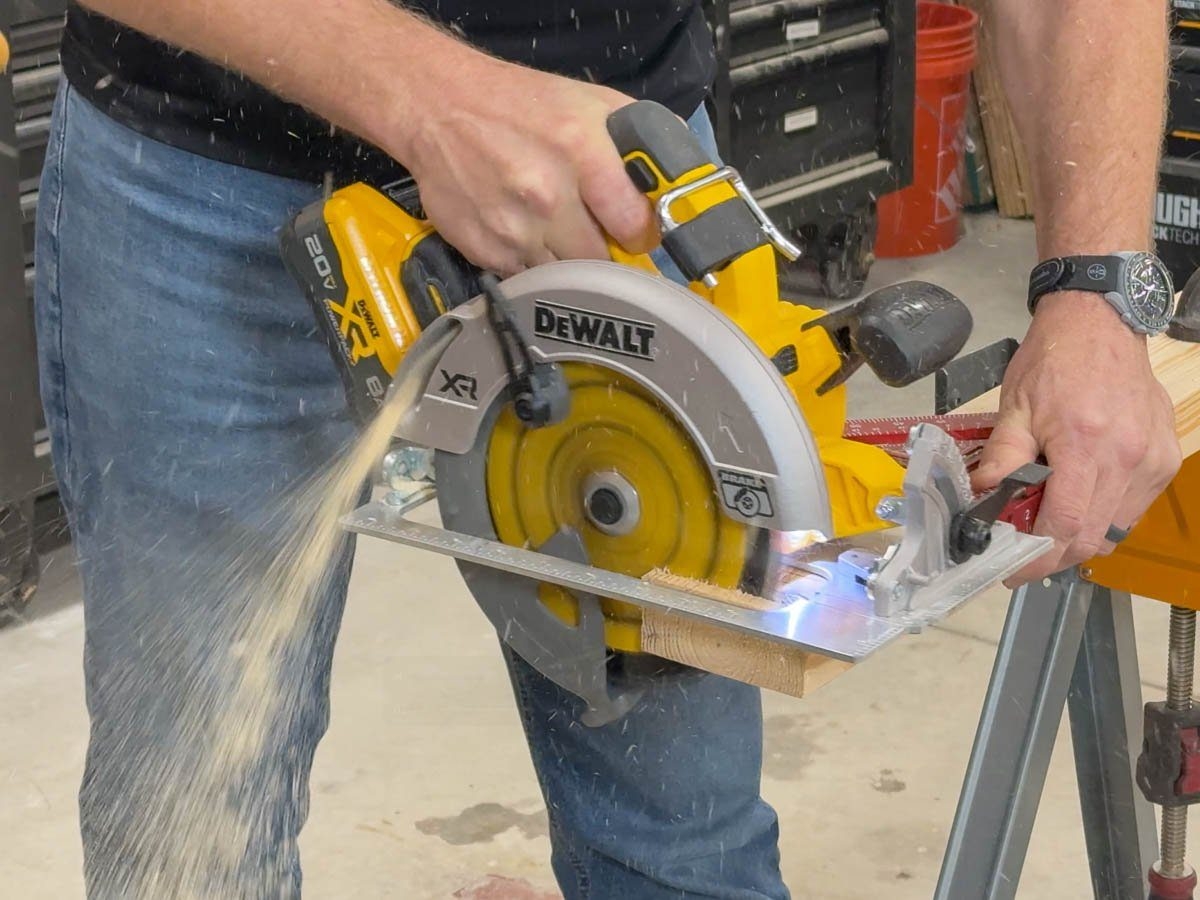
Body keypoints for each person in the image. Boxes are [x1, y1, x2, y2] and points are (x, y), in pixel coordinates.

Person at [37, 1, 1179, 897]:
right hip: (205, 160)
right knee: (195, 827)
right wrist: (434, 101)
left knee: (683, 847)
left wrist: (1096, 289)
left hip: (622, 178)